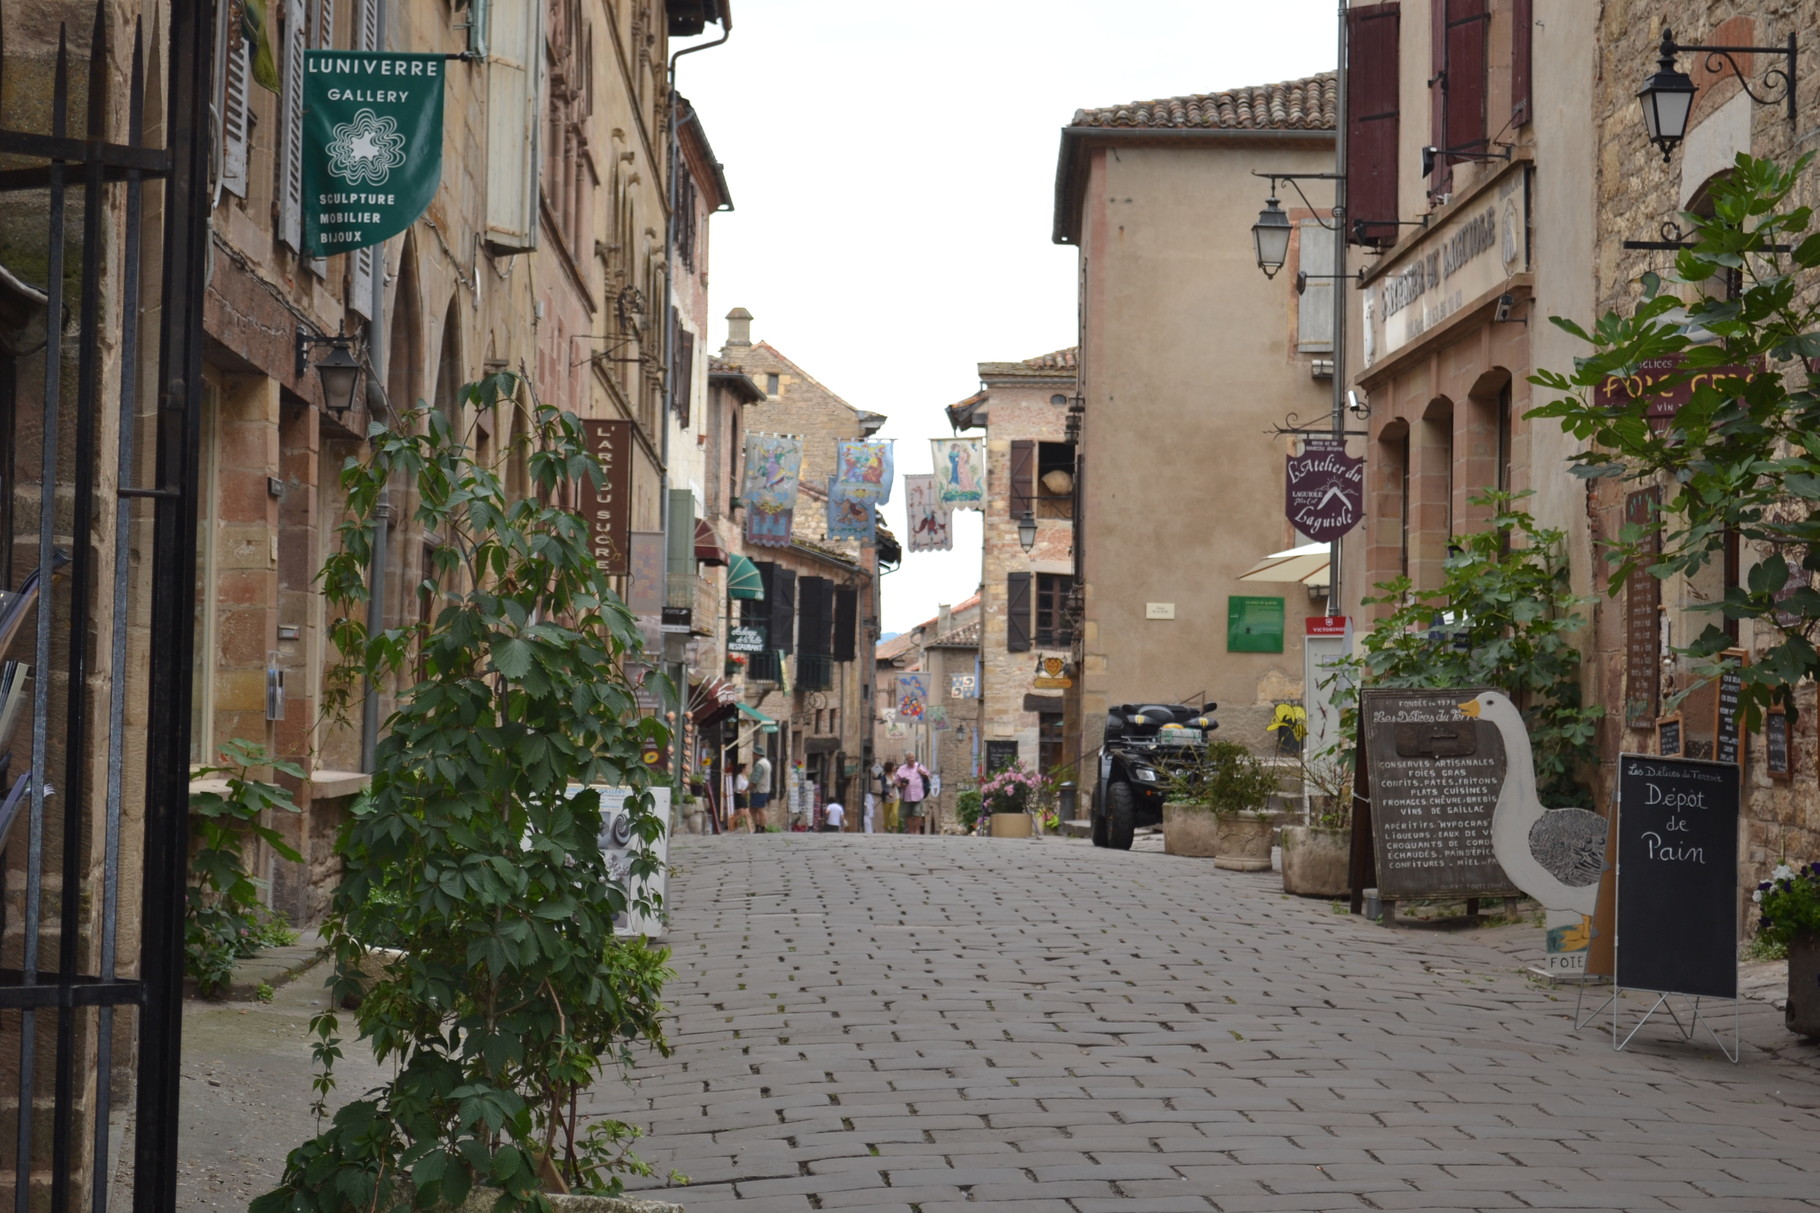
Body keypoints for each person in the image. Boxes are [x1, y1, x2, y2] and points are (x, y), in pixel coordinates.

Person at [895, 753, 931, 835]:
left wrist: (922, 773)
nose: (912, 759)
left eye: (913, 757)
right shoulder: (902, 769)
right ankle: (911, 831)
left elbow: (928, 775)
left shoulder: (919, 766)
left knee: (917, 813)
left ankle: (917, 830)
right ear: (906, 760)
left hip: (918, 794)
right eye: (910, 758)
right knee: (908, 814)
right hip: (906, 795)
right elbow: (896, 781)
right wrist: (901, 784)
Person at [749, 753, 773, 831]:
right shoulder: (766, 763)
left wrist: (747, 789)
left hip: (759, 790)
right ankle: (760, 827)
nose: (752, 756)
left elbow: (754, 780)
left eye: (753, 754)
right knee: (756, 809)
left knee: (759, 809)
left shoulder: (759, 765)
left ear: (757, 755)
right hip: (764, 789)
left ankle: (760, 827)